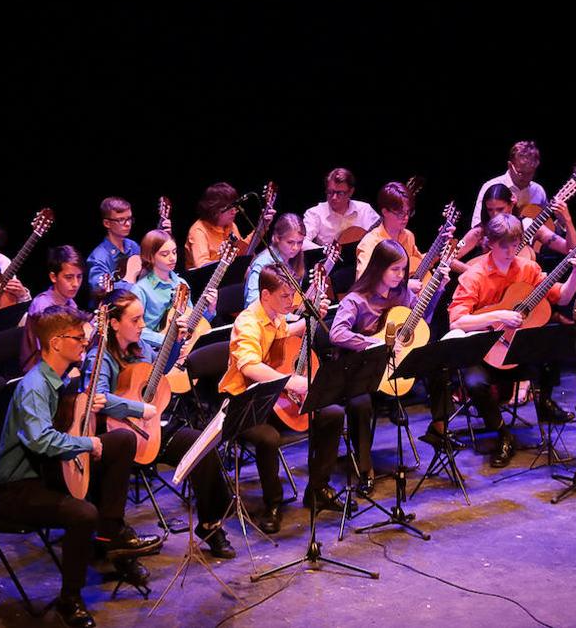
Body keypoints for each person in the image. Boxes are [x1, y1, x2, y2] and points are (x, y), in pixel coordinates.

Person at [0, 305, 163, 628]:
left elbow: (92, 403)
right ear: (56, 343)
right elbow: (41, 441)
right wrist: (87, 444)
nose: (85, 342)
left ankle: (111, 533)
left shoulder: (64, 377)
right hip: (18, 486)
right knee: (83, 513)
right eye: (78, 338)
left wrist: (138, 410)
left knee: (122, 441)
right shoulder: (34, 386)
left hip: (48, 469)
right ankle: (71, 599)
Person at [83, 292, 234, 558]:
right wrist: (139, 408)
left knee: (201, 445)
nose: (142, 325)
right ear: (115, 323)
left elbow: (161, 370)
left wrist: (176, 343)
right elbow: (98, 398)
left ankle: (211, 524)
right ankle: (116, 544)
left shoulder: (141, 347)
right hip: (118, 439)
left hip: (151, 430)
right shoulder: (99, 357)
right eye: (135, 319)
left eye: (142, 318)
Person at [439, 213, 576, 467]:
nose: (510, 251)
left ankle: (544, 404)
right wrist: (499, 315)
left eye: (515, 244)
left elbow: (561, 297)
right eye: (503, 245)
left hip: (517, 349)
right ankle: (502, 434)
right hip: (486, 351)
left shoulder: (528, 268)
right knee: (474, 383)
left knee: (552, 352)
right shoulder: (475, 275)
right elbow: (457, 321)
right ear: (490, 243)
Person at [218, 264, 344, 533]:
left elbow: (286, 333)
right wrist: (290, 381)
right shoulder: (247, 323)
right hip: (245, 401)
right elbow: (249, 366)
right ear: (265, 295)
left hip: (275, 398)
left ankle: (318, 488)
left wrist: (310, 319)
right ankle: (272, 503)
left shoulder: (275, 314)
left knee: (333, 413)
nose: (292, 301)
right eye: (285, 296)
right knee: (268, 438)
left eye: (292, 295)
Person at [328, 239, 434, 494]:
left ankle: (439, 433)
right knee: (360, 403)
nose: (401, 276)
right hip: (359, 370)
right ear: (379, 268)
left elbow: (418, 325)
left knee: (438, 369)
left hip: (390, 369)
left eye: (403, 270)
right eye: (395, 270)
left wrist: (436, 292)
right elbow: (336, 333)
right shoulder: (355, 300)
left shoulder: (403, 294)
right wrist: (373, 343)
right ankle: (365, 468)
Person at [131, 229, 216, 353]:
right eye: (165, 254)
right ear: (150, 257)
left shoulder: (181, 284)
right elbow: (135, 329)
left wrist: (210, 310)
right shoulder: (140, 290)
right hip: (153, 352)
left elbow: (191, 321)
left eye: (174, 252)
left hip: (180, 350)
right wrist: (167, 341)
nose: (172, 258)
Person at [455, 183, 576, 263]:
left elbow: (570, 249)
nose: (495, 215)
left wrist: (568, 221)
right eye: (490, 210)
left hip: (518, 297)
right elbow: (449, 259)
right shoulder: (480, 231)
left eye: (500, 209)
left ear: (512, 202)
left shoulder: (529, 225)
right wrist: (473, 272)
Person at [185, 182, 273, 268]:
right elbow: (202, 267)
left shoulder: (231, 226)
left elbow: (242, 252)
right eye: (229, 208)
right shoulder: (199, 231)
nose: (234, 211)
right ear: (214, 210)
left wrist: (262, 226)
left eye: (235, 206)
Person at [355, 181, 425, 283]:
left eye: (408, 212)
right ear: (385, 212)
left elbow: (418, 262)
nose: (406, 218)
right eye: (400, 213)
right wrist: (404, 286)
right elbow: (364, 281)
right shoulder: (369, 243)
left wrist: (441, 249)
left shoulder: (408, 236)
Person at [470, 140, 548, 227]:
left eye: (530, 173)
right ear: (510, 166)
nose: (525, 178)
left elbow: (547, 229)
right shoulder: (491, 187)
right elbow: (476, 227)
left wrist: (561, 221)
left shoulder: (538, 191)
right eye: (520, 173)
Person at [302, 167, 380, 248]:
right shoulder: (315, 213)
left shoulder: (364, 210)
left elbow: (380, 234)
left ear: (351, 192)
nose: (334, 197)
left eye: (340, 193)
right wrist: (325, 251)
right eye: (330, 192)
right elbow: (302, 241)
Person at [243, 214, 307, 308]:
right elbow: (252, 302)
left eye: (299, 242)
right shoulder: (263, 263)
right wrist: (287, 316)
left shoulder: (295, 260)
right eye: (290, 242)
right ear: (277, 238)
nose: (295, 248)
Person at [86, 197, 141, 302]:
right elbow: (99, 292)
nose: (128, 224)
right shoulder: (98, 258)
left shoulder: (133, 246)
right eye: (121, 220)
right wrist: (132, 286)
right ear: (107, 223)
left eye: (129, 218)